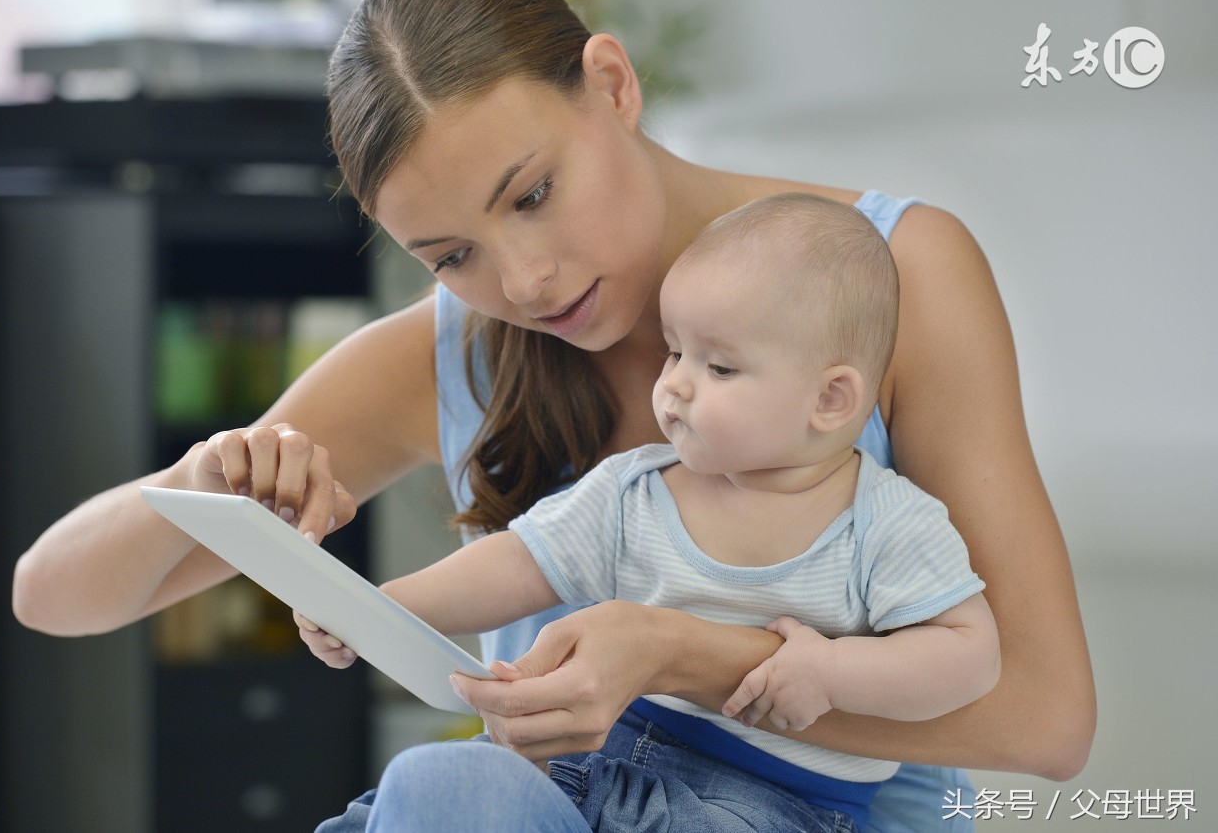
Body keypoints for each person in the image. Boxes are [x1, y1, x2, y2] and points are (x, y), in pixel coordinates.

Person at [11, 0, 1096, 830]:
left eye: (531, 194)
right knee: (444, 791)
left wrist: (676, 656)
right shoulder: (450, 351)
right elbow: (49, 596)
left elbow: (1045, 720)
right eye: (451, 255)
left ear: (612, 85)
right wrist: (202, 486)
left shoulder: (891, 275)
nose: (523, 282)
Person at [320, 192, 1001, 831]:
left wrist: (830, 673)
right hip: (591, 766)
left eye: (720, 368)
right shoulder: (636, 489)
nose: (674, 384)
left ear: (830, 400)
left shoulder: (886, 523)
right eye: (676, 352)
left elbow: (969, 655)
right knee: (437, 780)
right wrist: (378, 607)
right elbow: (519, 564)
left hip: (768, 806)